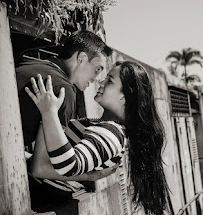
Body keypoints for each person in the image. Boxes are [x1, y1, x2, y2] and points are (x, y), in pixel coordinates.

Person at [25, 61, 170, 215]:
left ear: (125, 96)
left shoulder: (111, 134)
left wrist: (49, 112)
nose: (100, 82)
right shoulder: (100, 126)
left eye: (109, 80)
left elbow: (65, 165)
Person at [15, 30, 114, 209]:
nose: (96, 78)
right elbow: (40, 168)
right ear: (82, 59)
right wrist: (92, 176)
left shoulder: (32, 63)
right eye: (97, 69)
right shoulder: (63, 90)